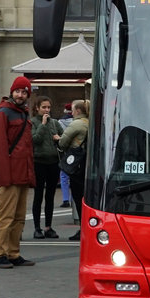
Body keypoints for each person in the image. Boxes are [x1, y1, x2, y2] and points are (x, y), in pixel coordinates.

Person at [0, 76, 36, 268]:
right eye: (18, 91)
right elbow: (0, 148)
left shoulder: (23, 113)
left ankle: (13, 252)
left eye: (24, 92)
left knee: (18, 217)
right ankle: (0, 254)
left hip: (22, 173)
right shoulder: (3, 113)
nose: (20, 95)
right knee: (6, 216)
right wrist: (5, 176)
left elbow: (27, 148)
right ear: (12, 92)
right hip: (10, 174)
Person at [30, 96, 63, 240]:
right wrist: (43, 125)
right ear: (37, 108)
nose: (47, 110)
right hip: (38, 162)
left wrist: (59, 139)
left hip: (53, 162)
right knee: (38, 195)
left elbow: (63, 138)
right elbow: (35, 140)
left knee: (50, 195)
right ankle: (37, 227)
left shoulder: (55, 123)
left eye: (48, 107)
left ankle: (48, 226)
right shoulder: (33, 122)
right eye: (44, 107)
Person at [59, 98, 90, 241]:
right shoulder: (91, 122)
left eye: (72, 109)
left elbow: (63, 142)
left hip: (77, 163)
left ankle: (82, 229)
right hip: (88, 163)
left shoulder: (76, 124)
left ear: (77, 111)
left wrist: (57, 139)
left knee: (78, 197)